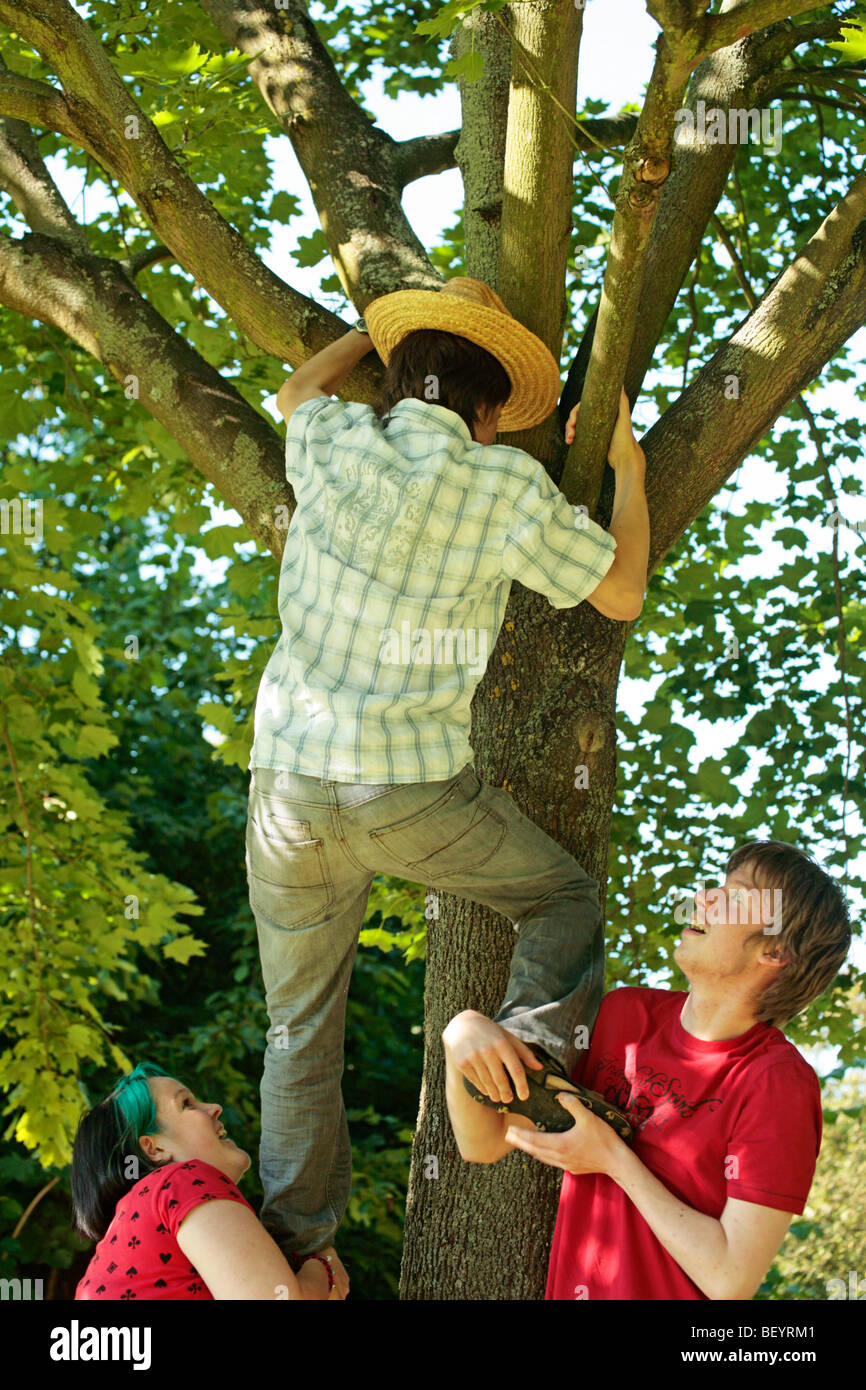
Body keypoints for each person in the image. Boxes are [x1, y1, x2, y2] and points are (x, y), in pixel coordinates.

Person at [245, 276, 650, 1261]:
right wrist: (628, 473)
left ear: (395, 386)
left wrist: (366, 334)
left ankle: (296, 1249)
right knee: (561, 895)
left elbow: (295, 392)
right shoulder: (503, 485)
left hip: (289, 798)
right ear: (486, 413)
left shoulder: (334, 439)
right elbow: (622, 595)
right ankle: (519, 1052)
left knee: (298, 1038)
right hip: (412, 790)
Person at [442, 840, 851, 1300]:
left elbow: (730, 1280)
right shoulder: (623, 1016)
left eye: (735, 897)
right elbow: (488, 1141)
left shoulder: (777, 1081)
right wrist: (460, 1032)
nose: (704, 898)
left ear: (775, 952)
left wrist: (614, 1160)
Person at [71, 1063, 349, 1300]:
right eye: (187, 1104)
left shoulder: (130, 1228)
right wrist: (323, 1267)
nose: (214, 1108)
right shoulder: (181, 1181)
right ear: (153, 1148)